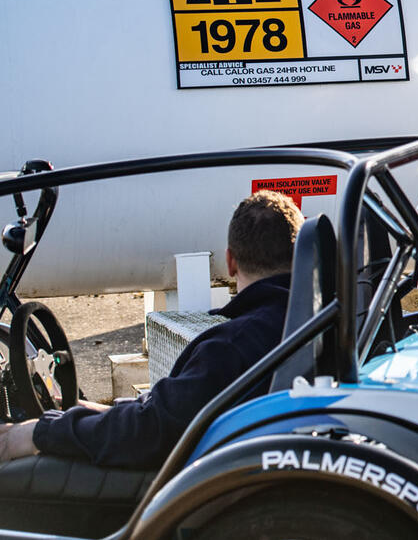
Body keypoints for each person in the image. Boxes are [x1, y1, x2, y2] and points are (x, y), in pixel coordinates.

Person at [0, 189, 302, 469]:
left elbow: (151, 431)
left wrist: (35, 434)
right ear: (299, 257)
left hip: (193, 496)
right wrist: (85, 412)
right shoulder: (303, 326)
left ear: (231, 261)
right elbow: (169, 412)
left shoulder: (233, 346)